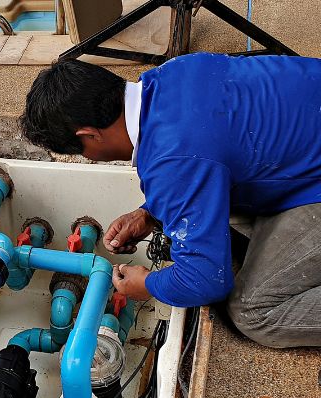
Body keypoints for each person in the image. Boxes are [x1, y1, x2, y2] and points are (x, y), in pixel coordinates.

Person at [20, 53, 321, 348]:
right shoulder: (172, 72)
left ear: (89, 135)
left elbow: (207, 280)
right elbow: (208, 149)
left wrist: (149, 284)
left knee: (252, 312)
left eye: (81, 151)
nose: (88, 158)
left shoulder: (173, 162)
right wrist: (151, 213)